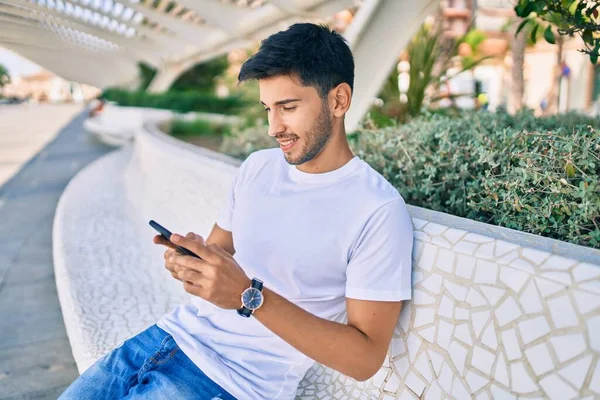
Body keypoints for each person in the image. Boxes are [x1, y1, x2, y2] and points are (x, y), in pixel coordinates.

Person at [59, 23, 414, 400]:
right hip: (165, 338)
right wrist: (194, 260)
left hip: (230, 382)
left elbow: (364, 359)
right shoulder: (258, 167)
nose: (273, 127)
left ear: (339, 100)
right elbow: (220, 249)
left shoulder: (377, 210)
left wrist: (249, 296)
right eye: (267, 109)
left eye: (288, 107)